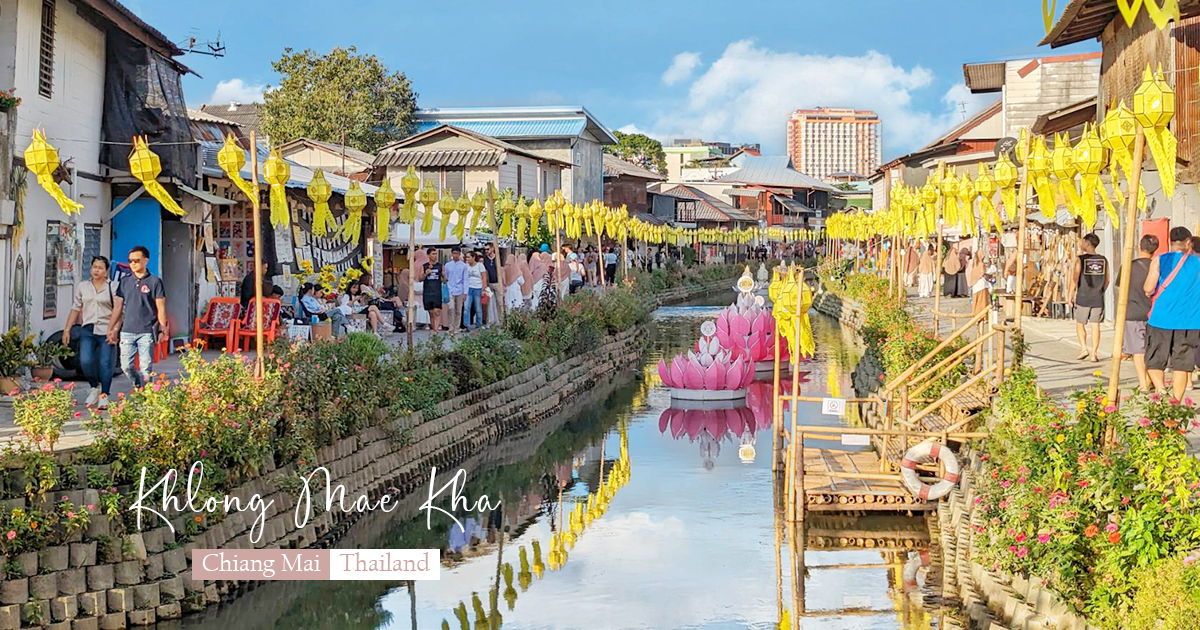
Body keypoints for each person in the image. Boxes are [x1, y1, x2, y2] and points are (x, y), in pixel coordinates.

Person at [1143, 227, 1200, 400]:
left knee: (1154, 360)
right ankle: (1176, 400)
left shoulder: (1160, 260)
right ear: (1188, 242)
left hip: (1161, 319)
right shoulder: (1198, 263)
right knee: (1182, 364)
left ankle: (1160, 390)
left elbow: (1148, 288)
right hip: (1189, 321)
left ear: (1170, 242)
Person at [106, 246, 167, 389]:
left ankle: (146, 398)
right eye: (130, 261)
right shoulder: (125, 282)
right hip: (127, 330)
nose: (133, 264)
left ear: (146, 261)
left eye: (136, 261)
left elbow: (161, 308)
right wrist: (111, 328)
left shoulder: (154, 282)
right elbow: (118, 307)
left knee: (146, 368)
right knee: (126, 366)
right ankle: (138, 383)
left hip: (147, 331)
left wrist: (163, 330)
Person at [63, 256, 117, 409]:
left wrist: (115, 330)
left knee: (105, 363)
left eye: (100, 268)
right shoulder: (83, 286)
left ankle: (104, 395)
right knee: (85, 361)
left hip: (107, 329)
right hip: (88, 328)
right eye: (94, 267)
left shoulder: (113, 286)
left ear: (106, 271)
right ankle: (94, 387)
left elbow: (119, 311)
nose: (96, 270)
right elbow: (75, 308)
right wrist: (67, 329)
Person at [1120, 235, 1158, 392]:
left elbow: (1120, 289)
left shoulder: (1129, 266)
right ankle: (1150, 380)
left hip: (1133, 312)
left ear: (1139, 246)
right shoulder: (1159, 266)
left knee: (1137, 350)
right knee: (1152, 349)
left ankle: (1143, 383)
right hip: (1154, 313)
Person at [1070, 233, 1109, 362]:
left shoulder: (1080, 259)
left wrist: (1070, 294)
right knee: (1095, 325)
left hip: (1083, 297)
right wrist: (1101, 290)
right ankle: (1094, 354)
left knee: (1080, 323)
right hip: (1097, 297)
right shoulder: (1103, 260)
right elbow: (1107, 280)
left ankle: (1083, 348)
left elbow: (1075, 278)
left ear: (1087, 243)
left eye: (1083, 242)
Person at [419, 248, 446, 332]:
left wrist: (445, 277)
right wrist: (426, 273)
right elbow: (420, 278)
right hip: (428, 291)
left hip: (437, 291)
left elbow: (445, 278)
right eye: (433, 254)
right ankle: (433, 326)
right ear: (428, 255)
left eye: (436, 254)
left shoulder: (440, 266)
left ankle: (436, 329)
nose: (435, 256)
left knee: (437, 311)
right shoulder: (424, 266)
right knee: (431, 312)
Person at [444, 248, 469, 333]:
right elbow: (446, 277)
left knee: (458, 310)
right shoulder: (447, 265)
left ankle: (456, 327)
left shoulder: (463, 266)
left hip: (460, 289)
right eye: (454, 253)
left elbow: (465, 279)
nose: (455, 255)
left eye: (457, 253)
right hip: (450, 288)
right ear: (451, 253)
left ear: (459, 254)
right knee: (451, 308)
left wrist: (465, 292)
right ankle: (450, 327)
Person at [463, 251, 487, 330]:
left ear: (473, 258)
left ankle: (478, 324)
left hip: (478, 288)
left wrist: (484, 289)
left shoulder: (480, 266)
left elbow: (484, 277)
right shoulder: (466, 266)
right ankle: (466, 324)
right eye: (466, 257)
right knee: (467, 307)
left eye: (469, 257)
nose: (467, 259)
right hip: (468, 288)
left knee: (478, 307)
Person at [483, 243, 502, 324]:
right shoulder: (485, 259)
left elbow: (502, 270)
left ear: (492, 249)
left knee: (499, 302)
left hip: (497, 283)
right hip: (489, 283)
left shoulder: (498, 258)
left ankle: (501, 320)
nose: (486, 251)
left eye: (488, 249)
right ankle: (488, 321)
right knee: (488, 302)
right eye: (485, 250)